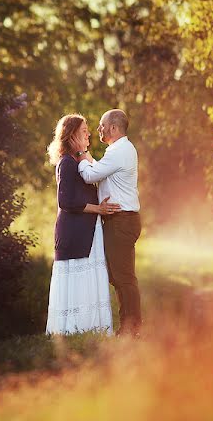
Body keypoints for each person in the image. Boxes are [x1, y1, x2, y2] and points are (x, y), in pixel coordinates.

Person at [45, 114, 118, 336]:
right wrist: (99, 209)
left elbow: (97, 171)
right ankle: (73, 330)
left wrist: (83, 152)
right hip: (74, 231)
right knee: (77, 279)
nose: (89, 133)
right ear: (72, 134)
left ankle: (90, 328)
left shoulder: (79, 160)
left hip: (88, 228)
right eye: (84, 130)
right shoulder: (66, 163)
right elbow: (65, 201)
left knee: (90, 278)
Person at [77, 109, 142, 336]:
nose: (98, 129)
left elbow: (90, 175)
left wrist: (83, 159)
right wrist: (90, 162)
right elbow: (100, 170)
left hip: (122, 220)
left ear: (113, 128)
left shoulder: (119, 151)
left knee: (124, 277)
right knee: (118, 275)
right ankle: (128, 326)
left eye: (102, 125)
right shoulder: (119, 150)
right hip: (121, 220)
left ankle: (131, 329)